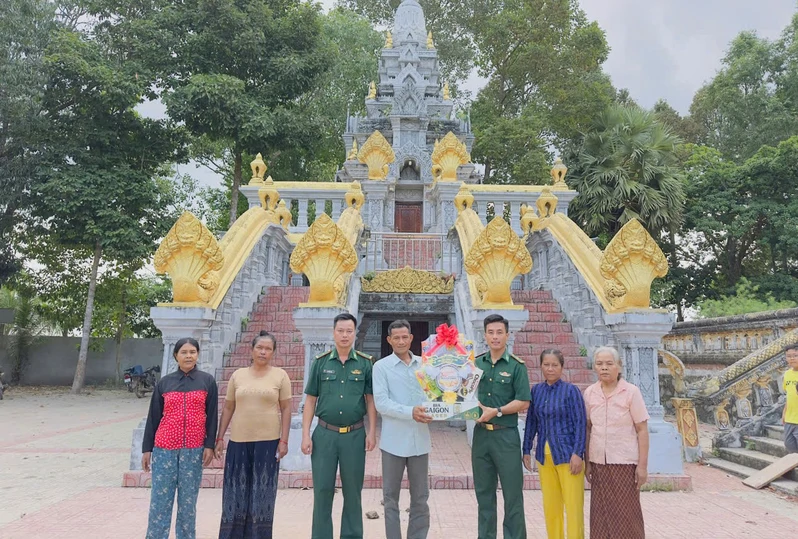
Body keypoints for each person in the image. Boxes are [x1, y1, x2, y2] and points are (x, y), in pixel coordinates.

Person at [302, 312, 378, 539]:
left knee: (353, 492)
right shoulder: (321, 362)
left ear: (355, 333)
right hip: (324, 434)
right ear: (333, 333)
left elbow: (370, 400)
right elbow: (310, 400)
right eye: (340, 331)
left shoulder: (365, 363)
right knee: (323, 491)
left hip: (354, 436)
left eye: (349, 331)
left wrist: (372, 432)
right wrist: (306, 434)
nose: (345, 335)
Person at [215, 330, 292, 538]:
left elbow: (286, 409)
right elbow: (229, 407)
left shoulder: (280, 375)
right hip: (238, 441)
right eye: (260, 347)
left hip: (268, 443)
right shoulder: (238, 375)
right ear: (252, 350)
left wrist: (284, 440)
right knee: (235, 492)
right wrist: (220, 437)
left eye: (268, 349)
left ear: (273, 352)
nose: (263, 352)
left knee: (263, 493)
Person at [142, 338, 218, 539]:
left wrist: (209, 445)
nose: (188, 356)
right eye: (184, 352)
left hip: (193, 450)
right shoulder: (165, 383)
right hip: (164, 448)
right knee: (160, 500)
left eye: (192, 352)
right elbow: (153, 418)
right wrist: (146, 449)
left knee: (188, 503)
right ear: (176, 355)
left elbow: (212, 416)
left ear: (198, 355)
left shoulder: (207, 381)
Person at [373, 319, 433, 539]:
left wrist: (440, 409)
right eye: (396, 337)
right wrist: (411, 412)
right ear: (389, 340)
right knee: (390, 499)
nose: (400, 341)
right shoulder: (381, 367)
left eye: (404, 337)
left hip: (420, 441)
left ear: (411, 338)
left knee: (420, 498)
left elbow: (434, 396)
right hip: (393, 443)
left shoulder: (425, 366)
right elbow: (381, 403)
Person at [473, 314, 530, 539]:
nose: (495, 337)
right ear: (485, 335)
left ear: (507, 335)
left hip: (506, 436)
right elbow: (462, 391)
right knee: (484, 495)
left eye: (499, 332)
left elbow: (523, 401)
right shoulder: (476, 363)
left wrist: (495, 411)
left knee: (512, 495)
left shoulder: (516, 366)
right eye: (490, 332)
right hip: (481, 438)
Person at [584, 346, 649, 539]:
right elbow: (588, 428)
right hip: (598, 463)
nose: (604, 368)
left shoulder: (631, 392)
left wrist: (642, 467)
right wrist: (588, 462)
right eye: (599, 364)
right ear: (594, 367)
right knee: (600, 514)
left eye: (609, 364)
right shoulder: (590, 393)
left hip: (625, 463)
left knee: (627, 514)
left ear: (619, 367)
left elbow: (642, 430)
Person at [522, 349, 586, 539]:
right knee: (551, 508)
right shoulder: (537, 391)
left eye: (554, 365)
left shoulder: (571, 391)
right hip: (544, 456)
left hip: (568, 456)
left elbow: (580, 423)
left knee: (573, 508)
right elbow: (531, 421)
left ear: (562, 367)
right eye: (546, 365)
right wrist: (526, 449)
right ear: (540, 366)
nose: (550, 369)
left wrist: (578, 453)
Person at [782, 344, 798, 453]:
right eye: (789, 356)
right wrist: (784, 412)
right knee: (789, 445)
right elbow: (789, 395)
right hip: (789, 418)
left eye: (795, 355)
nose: (792, 358)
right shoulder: (787, 374)